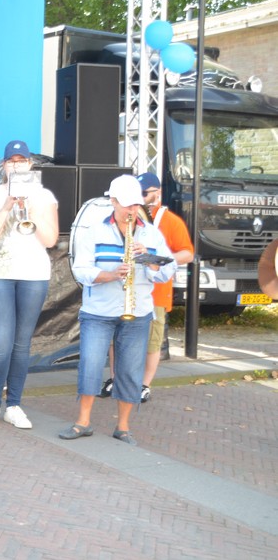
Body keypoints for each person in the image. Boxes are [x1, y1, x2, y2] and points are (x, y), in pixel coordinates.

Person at [62, 175, 176, 446]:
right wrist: (110, 275)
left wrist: (150, 260)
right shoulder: (94, 231)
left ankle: (123, 427)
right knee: (90, 365)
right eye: (126, 205)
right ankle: (83, 422)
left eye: (136, 205)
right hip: (99, 312)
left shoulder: (151, 234)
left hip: (138, 312)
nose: (132, 210)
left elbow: (168, 270)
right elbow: (80, 270)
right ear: (112, 201)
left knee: (130, 370)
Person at [0, 140, 59, 430]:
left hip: (34, 273)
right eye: (11, 161)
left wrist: (30, 209)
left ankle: (14, 405)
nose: (16, 164)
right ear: (3, 166)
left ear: (30, 164)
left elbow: (50, 240)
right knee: (0, 343)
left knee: (22, 344)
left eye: (21, 160)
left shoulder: (44, 195)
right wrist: (7, 207)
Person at [97, 172, 193, 403]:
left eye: (144, 193)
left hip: (156, 291)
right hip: (126, 288)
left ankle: (144, 384)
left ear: (157, 193)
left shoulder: (171, 221)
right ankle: (116, 379)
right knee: (116, 339)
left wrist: (156, 258)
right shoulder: (126, 218)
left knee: (152, 342)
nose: (139, 198)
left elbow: (188, 254)